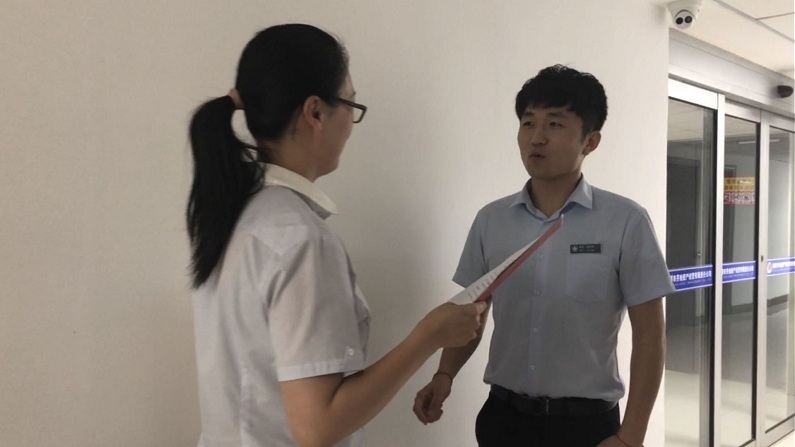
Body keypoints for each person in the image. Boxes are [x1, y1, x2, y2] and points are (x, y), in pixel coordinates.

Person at [187, 24, 487, 447]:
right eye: (350, 104)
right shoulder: (301, 240)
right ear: (315, 112)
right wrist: (429, 336)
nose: (351, 123)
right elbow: (318, 427)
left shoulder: (236, 214)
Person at [412, 65, 675, 447]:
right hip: (504, 420)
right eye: (528, 122)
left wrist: (631, 436)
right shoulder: (491, 220)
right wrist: (444, 375)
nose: (536, 137)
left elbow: (650, 335)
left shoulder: (626, 221)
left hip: (587, 426)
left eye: (555, 124)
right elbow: (471, 312)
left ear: (591, 141)